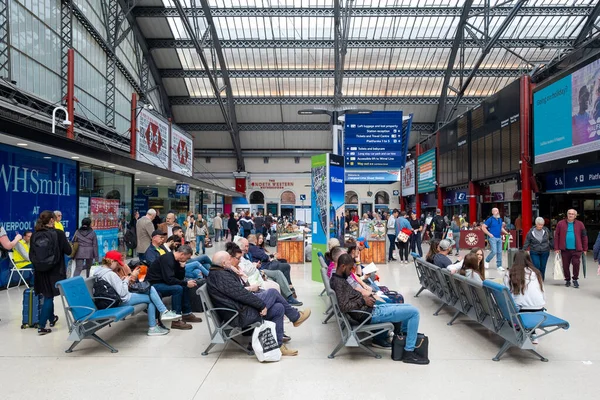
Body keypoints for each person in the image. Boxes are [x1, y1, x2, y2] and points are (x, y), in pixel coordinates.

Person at [206, 251, 311, 356]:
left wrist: (233, 270)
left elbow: (238, 292)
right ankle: (295, 317)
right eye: (229, 259)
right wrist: (261, 305)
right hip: (239, 315)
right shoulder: (222, 276)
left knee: (279, 308)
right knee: (273, 293)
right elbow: (241, 294)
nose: (232, 261)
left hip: (239, 310)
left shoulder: (218, 273)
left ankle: (279, 346)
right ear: (223, 263)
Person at [330, 254, 428, 364]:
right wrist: (363, 300)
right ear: (343, 266)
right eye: (349, 269)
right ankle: (408, 351)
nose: (350, 272)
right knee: (414, 313)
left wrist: (366, 298)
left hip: (369, 310)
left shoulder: (337, 279)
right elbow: (344, 306)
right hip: (369, 314)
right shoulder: (339, 283)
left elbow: (348, 299)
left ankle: (404, 341)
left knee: (409, 308)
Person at [93, 250, 180, 336]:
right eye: (117, 263)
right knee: (150, 293)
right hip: (120, 300)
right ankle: (160, 317)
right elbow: (123, 294)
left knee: (150, 289)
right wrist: (126, 280)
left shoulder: (99, 272)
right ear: (111, 261)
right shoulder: (110, 274)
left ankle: (159, 318)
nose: (118, 266)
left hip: (111, 300)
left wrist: (122, 281)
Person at [30, 211, 72, 335]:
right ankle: (41, 326)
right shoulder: (58, 234)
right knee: (49, 296)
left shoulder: (34, 235)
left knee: (47, 294)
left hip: (40, 270)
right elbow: (68, 251)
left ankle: (51, 318)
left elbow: (31, 254)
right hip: (55, 270)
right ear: (52, 220)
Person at [146, 244, 202, 330]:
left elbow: (179, 278)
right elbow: (169, 279)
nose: (187, 260)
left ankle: (186, 314)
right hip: (153, 285)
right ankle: (176, 320)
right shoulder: (167, 259)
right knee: (178, 288)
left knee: (184, 286)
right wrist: (185, 283)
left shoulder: (176, 260)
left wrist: (182, 268)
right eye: (187, 258)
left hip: (163, 282)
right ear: (182, 254)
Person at [504, 251, 545, 344]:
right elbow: (543, 293)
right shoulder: (536, 273)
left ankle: (519, 327)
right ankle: (532, 333)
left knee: (516, 302)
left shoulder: (510, 273)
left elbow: (507, 294)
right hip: (538, 310)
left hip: (521, 312)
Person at [554, 209, 588, 288]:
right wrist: (556, 248)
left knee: (576, 264)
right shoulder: (560, 223)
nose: (571, 215)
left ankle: (575, 279)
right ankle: (567, 280)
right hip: (565, 249)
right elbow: (557, 236)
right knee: (565, 265)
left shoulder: (580, 224)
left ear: (575, 216)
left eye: (572, 214)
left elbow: (584, 236)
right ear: (567, 214)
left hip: (577, 249)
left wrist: (585, 249)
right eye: (569, 213)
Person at [481, 207, 509, 272]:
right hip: (492, 237)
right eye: (496, 211)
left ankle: (499, 266)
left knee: (499, 252)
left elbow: (501, 228)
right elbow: (483, 227)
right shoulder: (490, 219)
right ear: (493, 212)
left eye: (498, 210)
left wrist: (506, 233)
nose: (497, 212)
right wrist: (489, 234)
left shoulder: (500, 219)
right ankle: (487, 260)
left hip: (499, 237)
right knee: (494, 251)